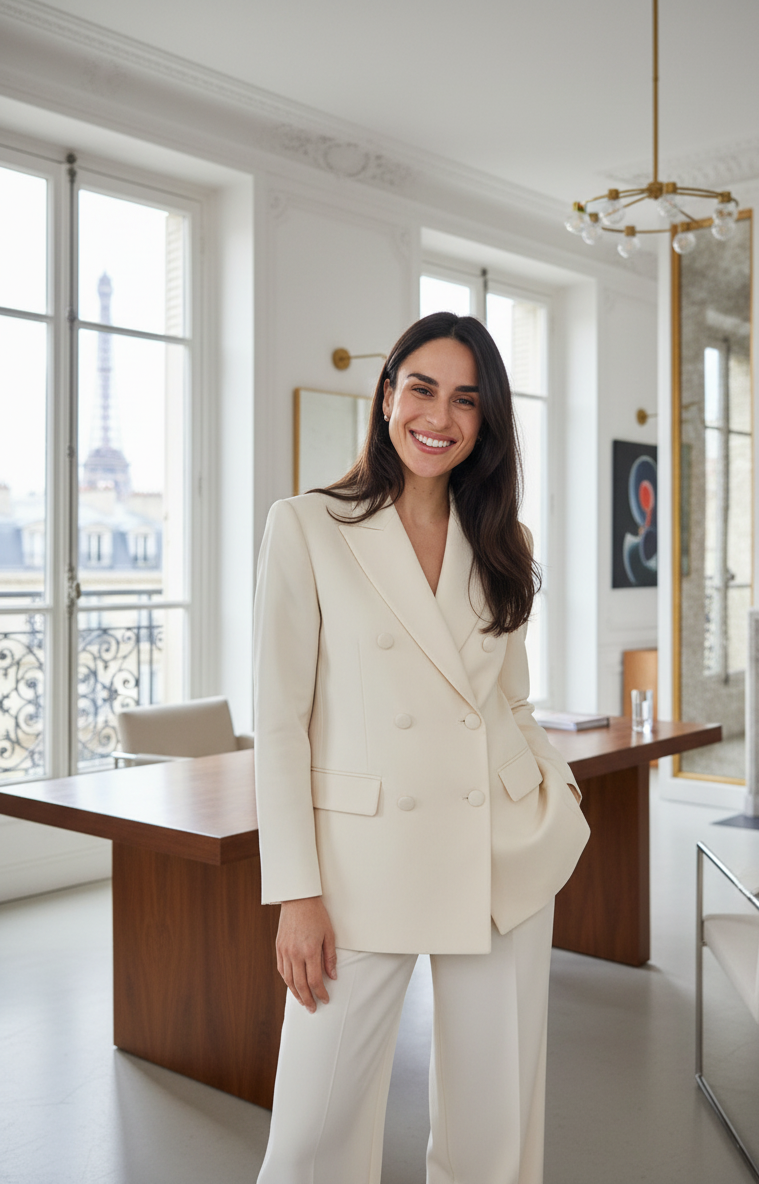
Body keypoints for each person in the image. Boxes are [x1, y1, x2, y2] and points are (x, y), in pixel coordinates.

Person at [253, 311, 590, 1184]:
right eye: (423, 388)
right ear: (386, 395)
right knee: (312, 1136)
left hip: (498, 851)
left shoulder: (502, 541)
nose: (439, 416)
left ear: (486, 424)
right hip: (362, 860)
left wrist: (554, 799)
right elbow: (281, 723)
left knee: (495, 1131)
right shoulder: (307, 526)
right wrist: (297, 892)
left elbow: (510, 700)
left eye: (467, 401)